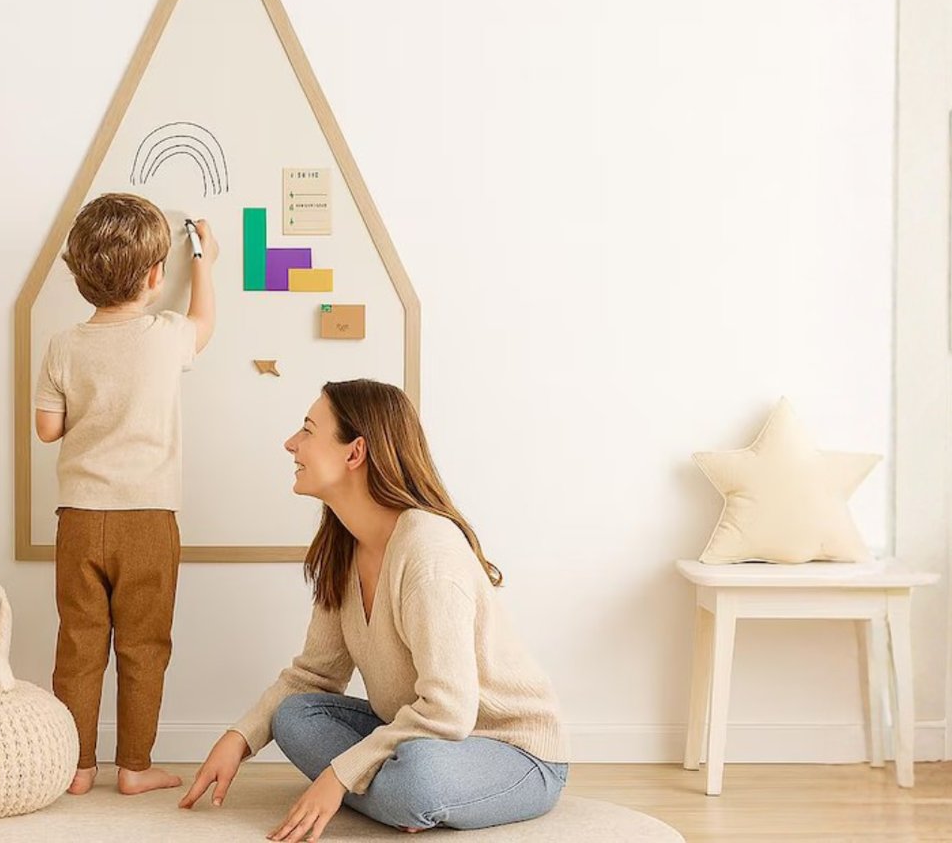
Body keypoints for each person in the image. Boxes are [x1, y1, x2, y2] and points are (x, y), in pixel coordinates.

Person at [181, 379, 568, 839]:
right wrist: (239, 738)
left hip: (512, 751)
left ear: (354, 452)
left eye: (307, 430)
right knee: (295, 716)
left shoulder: (428, 552)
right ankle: (394, 797)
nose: (291, 443)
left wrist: (338, 776)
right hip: (416, 735)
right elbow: (313, 676)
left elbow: (449, 712)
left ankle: (397, 796)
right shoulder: (346, 547)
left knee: (419, 776)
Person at [34, 192, 217, 796]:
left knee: (80, 643)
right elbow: (205, 326)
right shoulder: (166, 336)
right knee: (144, 644)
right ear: (157, 276)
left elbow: (47, 429)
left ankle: (77, 767)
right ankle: (134, 767)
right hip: (148, 517)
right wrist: (207, 265)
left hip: (81, 517)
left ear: (81, 277)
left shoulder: (63, 344)